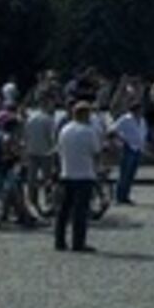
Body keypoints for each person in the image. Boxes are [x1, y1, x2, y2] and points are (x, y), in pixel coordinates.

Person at [55, 102, 101, 252]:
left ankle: (59, 241)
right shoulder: (89, 131)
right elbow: (95, 152)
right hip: (84, 175)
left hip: (66, 173)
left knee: (63, 210)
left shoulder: (64, 130)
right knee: (80, 211)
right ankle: (78, 243)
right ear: (85, 115)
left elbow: (59, 150)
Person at [22, 100, 57, 214]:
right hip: (46, 152)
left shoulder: (30, 118)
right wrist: (54, 150)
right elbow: (51, 137)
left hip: (31, 151)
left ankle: (32, 201)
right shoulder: (48, 119)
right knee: (47, 178)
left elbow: (25, 134)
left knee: (32, 178)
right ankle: (49, 201)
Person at [112, 105, 147, 205]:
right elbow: (114, 129)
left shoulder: (142, 120)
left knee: (131, 175)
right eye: (139, 110)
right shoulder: (126, 119)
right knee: (124, 174)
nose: (141, 111)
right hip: (128, 148)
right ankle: (119, 196)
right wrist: (123, 140)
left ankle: (126, 196)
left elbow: (143, 133)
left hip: (138, 149)